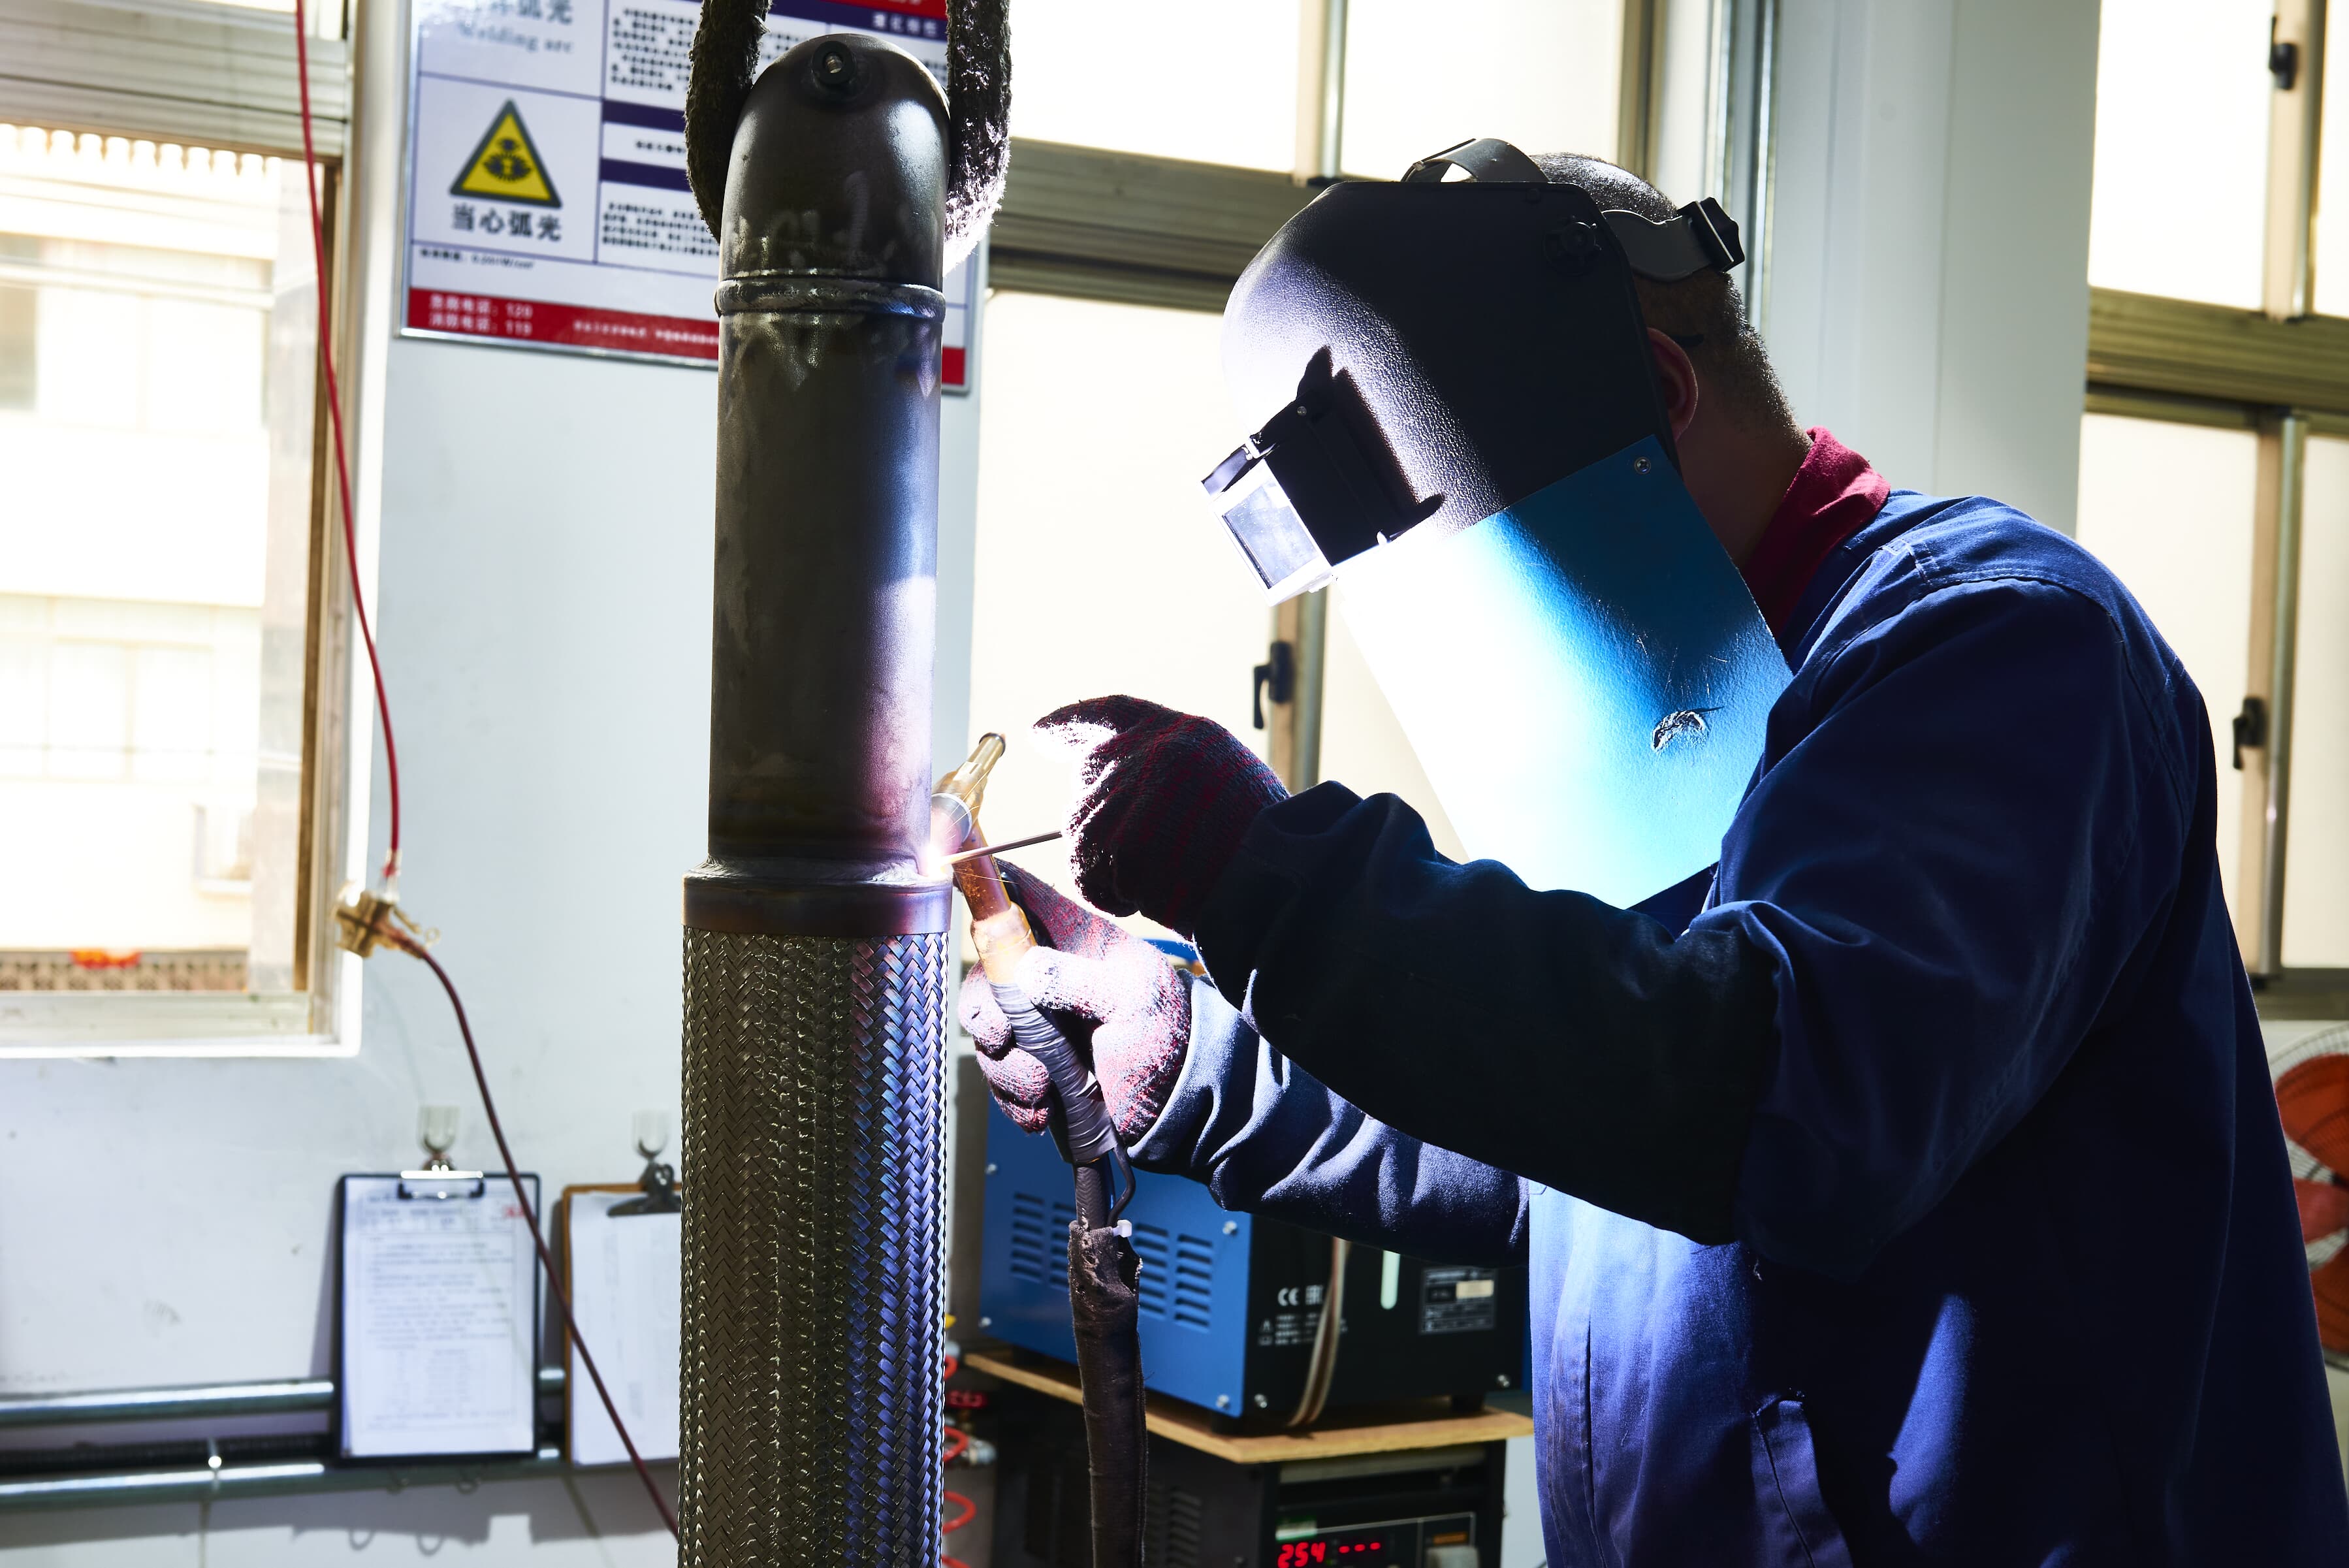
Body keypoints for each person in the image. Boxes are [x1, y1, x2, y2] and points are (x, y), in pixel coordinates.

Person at [963, 153, 2349, 1565]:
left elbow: (1785, 1097)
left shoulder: (2000, 650)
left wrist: (1272, 877)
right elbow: (1563, 1139)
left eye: (1474, 559)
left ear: (1658, 399)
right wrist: (1188, 1051)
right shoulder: (1667, 732)